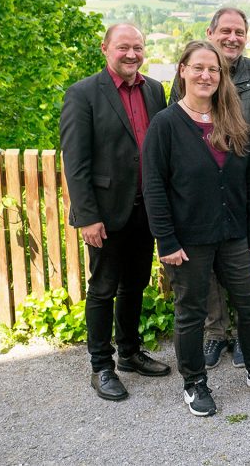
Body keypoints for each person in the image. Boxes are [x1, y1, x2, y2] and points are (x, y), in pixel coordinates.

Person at [143, 40, 250, 417]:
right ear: (183, 71)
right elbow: (154, 187)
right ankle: (194, 383)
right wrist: (166, 241)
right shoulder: (166, 125)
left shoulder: (234, 122)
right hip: (188, 240)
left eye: (214, 70)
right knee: (190, 313)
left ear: (221, 77)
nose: (206, 75)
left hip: (235, 236)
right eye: (199, 68)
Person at [60, 24, 171, 401]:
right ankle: (101, 366)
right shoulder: (83, 94)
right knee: (103, 288)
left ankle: (129, 352)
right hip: (105, 213)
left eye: (138, 47)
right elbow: (75, 163)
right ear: (105, 48)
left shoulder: (155, 90)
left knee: (135, 284)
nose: (131, 54)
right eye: (123, 47)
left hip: (145, 209)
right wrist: (87, 216)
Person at [170, 7, 250, 370]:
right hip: (201, 191)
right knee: (208, 269)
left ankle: (249, 340)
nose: (233, 37)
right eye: (226, 31)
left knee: (245, 259)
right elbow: (179, 125)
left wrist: (230, 158)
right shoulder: (188, 73)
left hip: (247, 187)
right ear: (211, 33)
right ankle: (216, 332)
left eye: (240, 32)